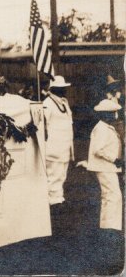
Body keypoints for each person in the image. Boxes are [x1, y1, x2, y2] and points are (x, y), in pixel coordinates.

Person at [79, 79, 123, 230]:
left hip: (107, 166)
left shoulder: (106, 127)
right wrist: (115, 159)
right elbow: (98, 149)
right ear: (106, 114)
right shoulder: (102, 128)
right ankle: (110, 226)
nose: (115, 116)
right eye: (113, 113)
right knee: (112, 196)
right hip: (104, 166)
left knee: (112, 196)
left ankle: (110, 225)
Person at [42, 75, 74, 221]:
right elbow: (43, 124)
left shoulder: (63, 103)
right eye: (61, 89)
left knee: (61, 174)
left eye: (64, 89)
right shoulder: (48, 103)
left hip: (65, 146)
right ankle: (52, 202)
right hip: (54, 147)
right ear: (54, 89)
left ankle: (58, 198)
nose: (64, 91)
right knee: (53, 174)